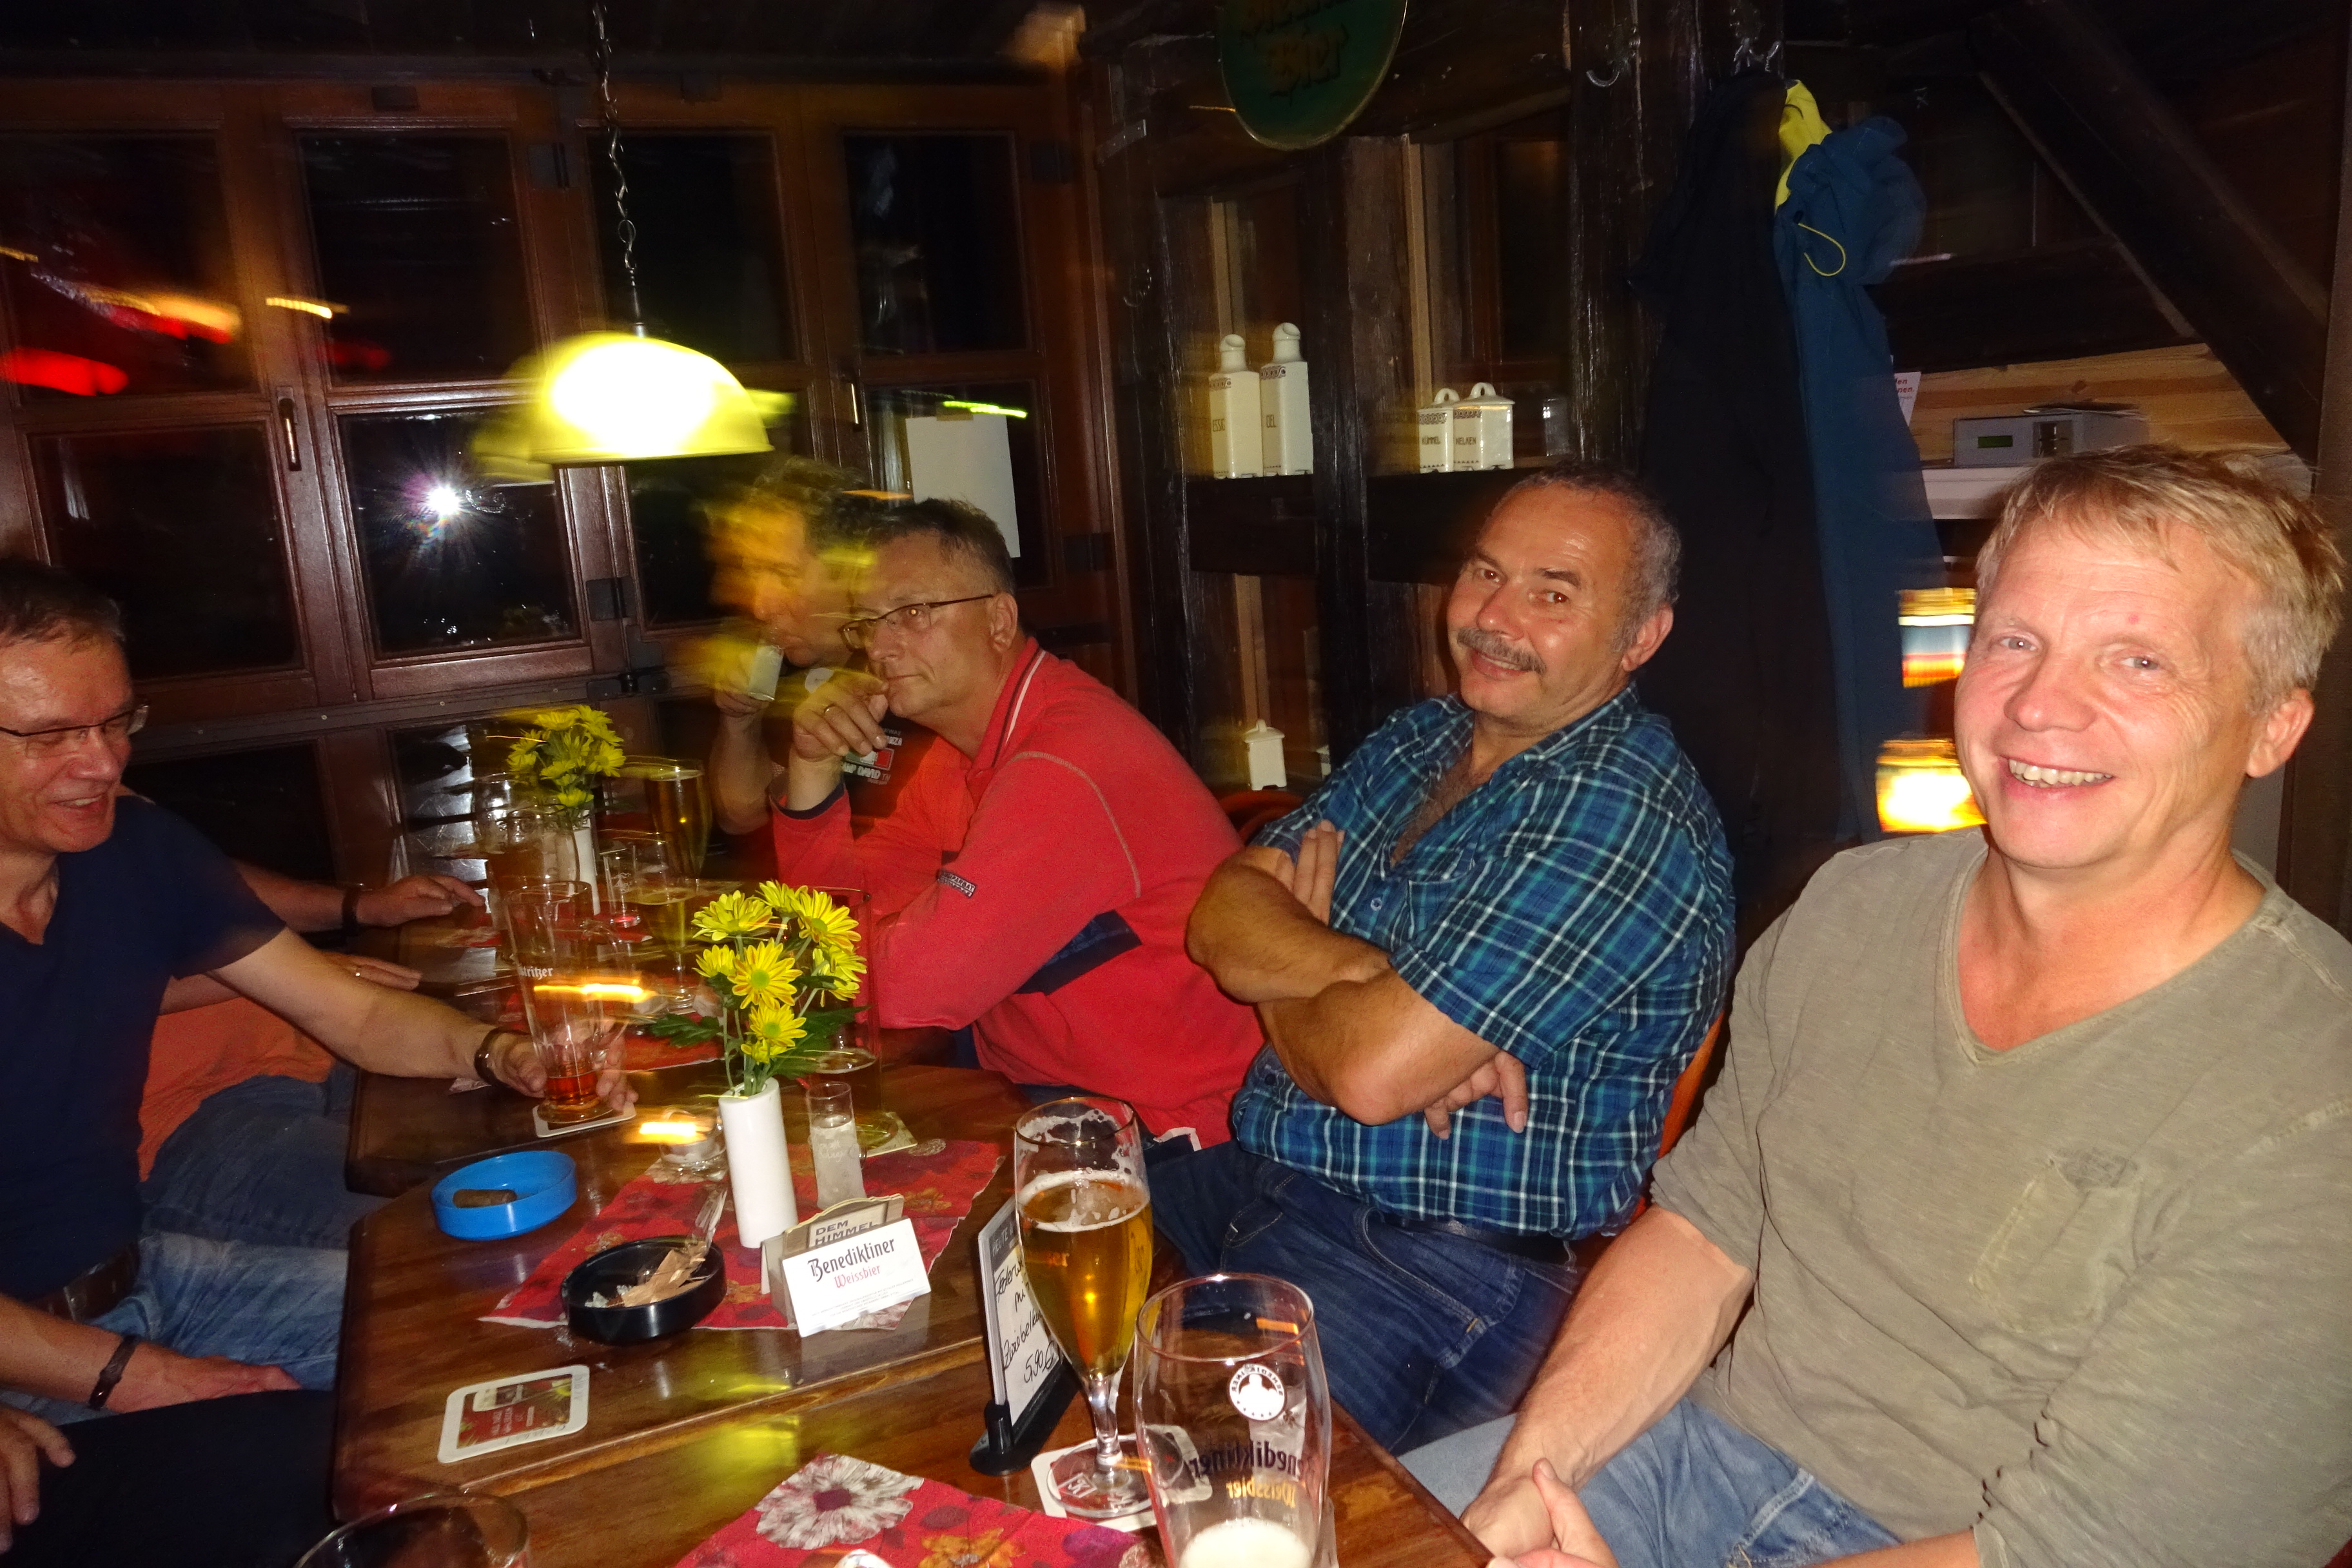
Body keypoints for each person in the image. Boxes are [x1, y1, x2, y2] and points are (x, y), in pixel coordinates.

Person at [1407, 446, 2352, 1568]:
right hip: (1700, 1455)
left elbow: (2097, 1550)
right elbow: (1706, 1231)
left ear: (2272, 725)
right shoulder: (1854, 907)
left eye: (2137, 661)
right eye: (2013, 641)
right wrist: (1529, 1481)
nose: (2039, 705)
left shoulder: (2312, 1094)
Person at [1157, 463, 1734, 1452]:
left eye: (1553, 594)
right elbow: (1218, 914)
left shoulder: (1621, 810)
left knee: (1223, 1483)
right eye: (1485, 573)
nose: (1493, 617)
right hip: (1261, 1181)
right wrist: (1368, 980)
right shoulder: (1422, 739)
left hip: (1432, 1263)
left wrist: (1287, 972)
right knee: (1000, 1285)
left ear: (1641, 636)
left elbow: (1371, 1077)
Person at [0, 560, 633, 1424]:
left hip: (146, 1272)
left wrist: (502, 1053)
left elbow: (355, 1013)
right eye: (51, 736)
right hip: (32, 1364)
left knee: (535, 1314)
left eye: (117, 722)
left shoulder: (135, 850)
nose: (105, 762)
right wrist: (134, 1376)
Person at [769, 498, 1260, 1140]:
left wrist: (860, 948)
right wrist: (811, 768)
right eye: (868, 623)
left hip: (1176, 1134)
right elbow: (829, 921)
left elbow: (915, 988)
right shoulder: (956, 758)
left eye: (912, 613)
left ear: (999, 620)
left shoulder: (1065, 760)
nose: (881, 648)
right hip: (1032, 1093)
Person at [139, 865, 484, 1253]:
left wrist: (361, 906)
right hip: (182, 1123)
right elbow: (95, 993)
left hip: (314, 1050)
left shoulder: (134, 839)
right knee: (463, 1225)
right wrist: (288, 970)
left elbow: (200, 882)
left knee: (511, 1143)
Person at [706, 458, 933, 846]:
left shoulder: (916, 673)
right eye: (753, 572)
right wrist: (740, 721)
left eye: (784, 575)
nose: (760, 606)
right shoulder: (786, 669)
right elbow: (741, 816)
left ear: (854, 571)